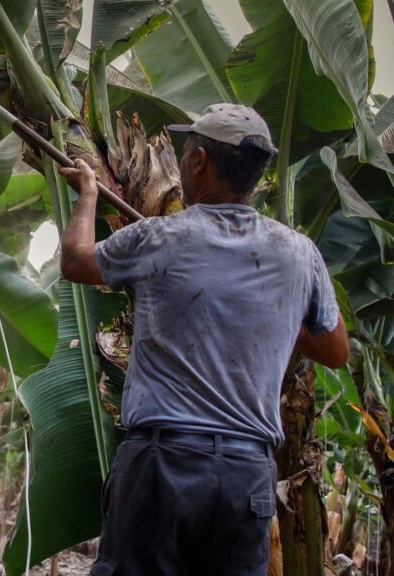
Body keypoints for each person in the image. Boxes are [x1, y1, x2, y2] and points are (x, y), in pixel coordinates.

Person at [58, 103, 350, 576]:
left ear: (198, 162)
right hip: (245, 476)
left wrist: (89, 193)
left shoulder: (158, 237)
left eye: (186, 150)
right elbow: (335, 351)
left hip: (162, 465)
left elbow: (75, 261)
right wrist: (267, 312)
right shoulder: (300, 254)